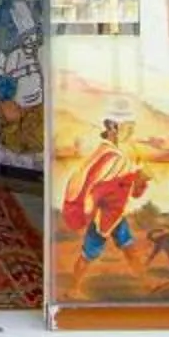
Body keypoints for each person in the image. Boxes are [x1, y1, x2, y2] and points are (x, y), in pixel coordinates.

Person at [62, 106, 149, 262]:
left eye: (132, 128)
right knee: (89, 255)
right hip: (101, 215)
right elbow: (99, 187)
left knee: (129, 247)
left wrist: (137, 177)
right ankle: (75, 286)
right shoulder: (114, 158)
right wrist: (139, 178)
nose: (131, 132)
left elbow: (121, 188)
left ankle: (145, 284)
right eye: (128, 127)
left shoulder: (109, 153)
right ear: (113, 127)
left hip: (113, 212)